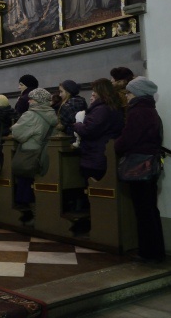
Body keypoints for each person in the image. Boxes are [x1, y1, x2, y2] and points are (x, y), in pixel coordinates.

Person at [114, 77, 165, 263]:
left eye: (128, 92)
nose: (126, 96)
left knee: (143, 211)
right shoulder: (151, 110)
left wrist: (116, 146)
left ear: (136, 93)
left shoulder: (138, 112)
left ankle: (149, 252)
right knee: (150, 209)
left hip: (139, 163)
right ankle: (156, 250)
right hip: (150, 163)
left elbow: (128, 138)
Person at [71, 78, 124, 234]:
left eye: (94, 91)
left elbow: (89, 130)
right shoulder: (113, 107)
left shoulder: (102, 109)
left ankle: (100, 227)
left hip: (96, 155)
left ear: (101, 92)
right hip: (101, 153)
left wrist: (77, 124)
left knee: (96, 192)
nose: (92, 93)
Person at [11, 88, 57, 225]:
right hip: (44, 154)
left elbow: (17, 133)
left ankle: (36, 217)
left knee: (26, 186)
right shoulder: (51, 113)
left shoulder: (30, 115)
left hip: (29, 154)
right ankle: (41, 216)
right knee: (36, 185)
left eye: (31, 98)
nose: (29, 101)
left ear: (37, 101)